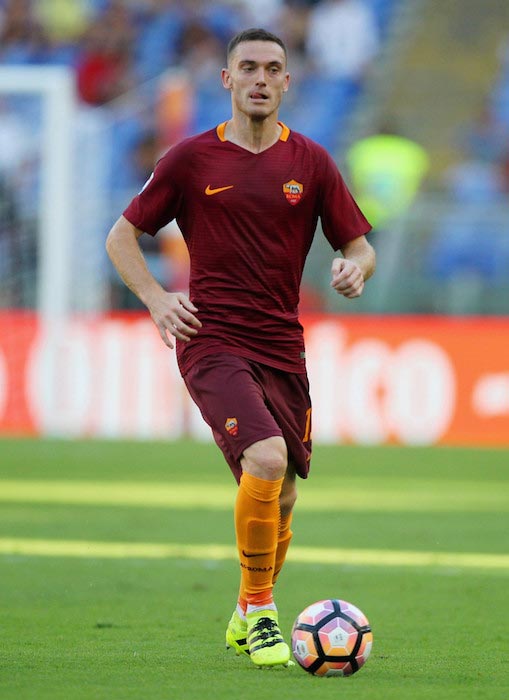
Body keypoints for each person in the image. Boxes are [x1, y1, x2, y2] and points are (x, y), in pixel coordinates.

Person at [106, 27, 375, 669]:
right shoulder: (191, 159)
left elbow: (358, 243)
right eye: (247, 67)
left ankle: (245, 608)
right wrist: (156, 298)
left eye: (272, 68)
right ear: (226, 81)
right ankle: (260, 613)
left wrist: (356, 266)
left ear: (287, 81)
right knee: (267, 456)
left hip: (283, 344)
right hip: (212, 339)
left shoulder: (310, 162)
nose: (260, 77)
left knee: (281, 493)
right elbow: (122, 237)